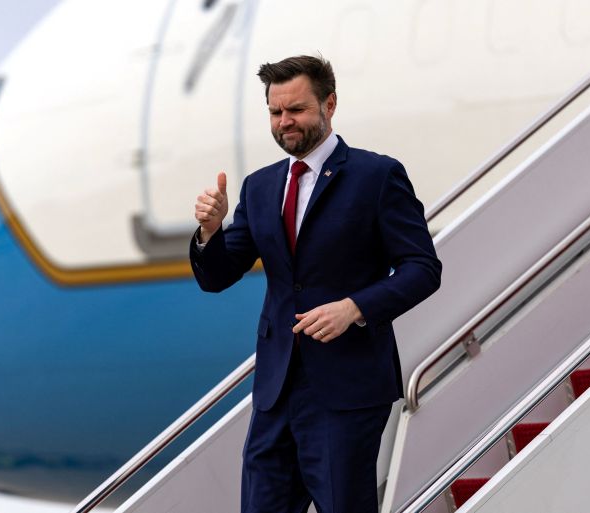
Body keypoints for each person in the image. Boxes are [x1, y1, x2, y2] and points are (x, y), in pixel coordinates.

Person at [189, 55, 442, 513]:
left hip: (346, 389)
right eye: (275, 112)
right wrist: (210, 233)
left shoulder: (376, 176)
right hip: (276, 390)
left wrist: (355, 308)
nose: (285, 122)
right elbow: (218, 276)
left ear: (330, 104)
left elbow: (423, 268)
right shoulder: (260, 186)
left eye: (297, 110)